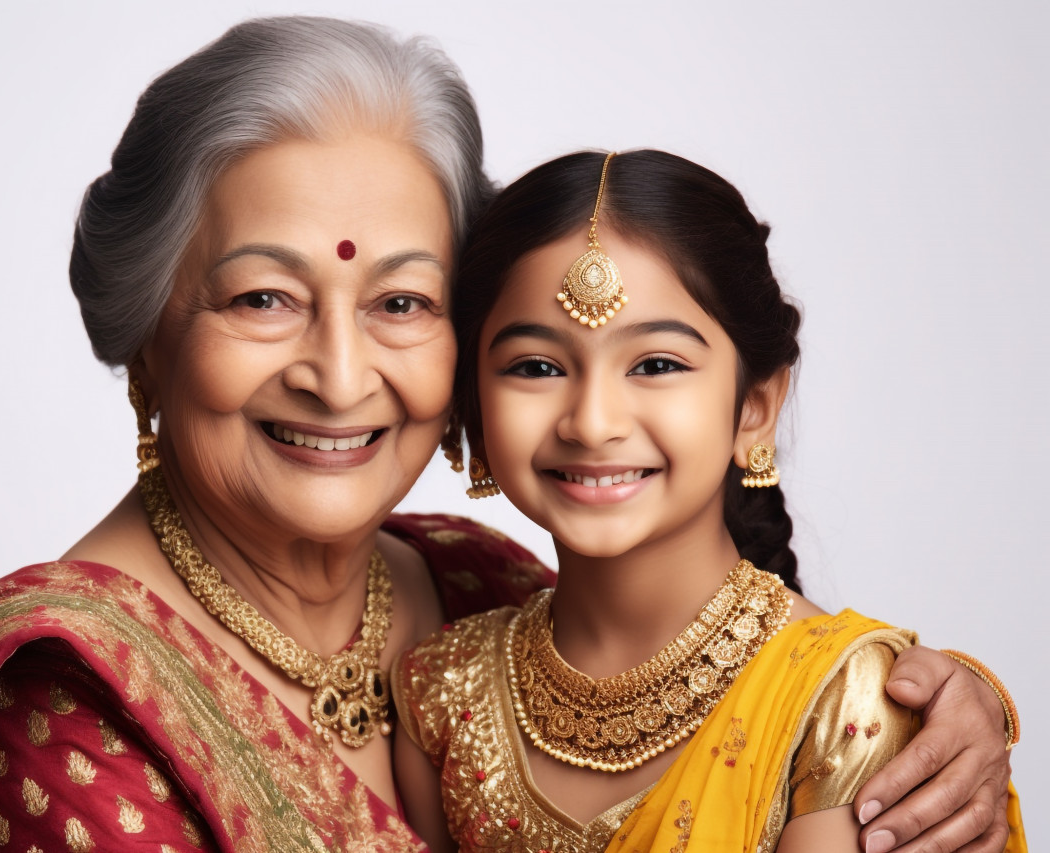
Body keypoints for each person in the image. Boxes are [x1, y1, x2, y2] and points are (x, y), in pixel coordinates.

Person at [0, 18, 1015, 853]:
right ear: (151, 339)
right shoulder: (57, 701)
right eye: (261, 298)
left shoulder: (469, 586)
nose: (341, 374)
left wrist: (919, 716)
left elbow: (747, 723)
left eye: (399, 302)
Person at [393, 149, 1026, 852]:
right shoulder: (442, 693)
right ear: (475, 413)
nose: (593, 420)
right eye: (536, 367)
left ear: (755, 407)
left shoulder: (847, 702)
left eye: (656, 364)